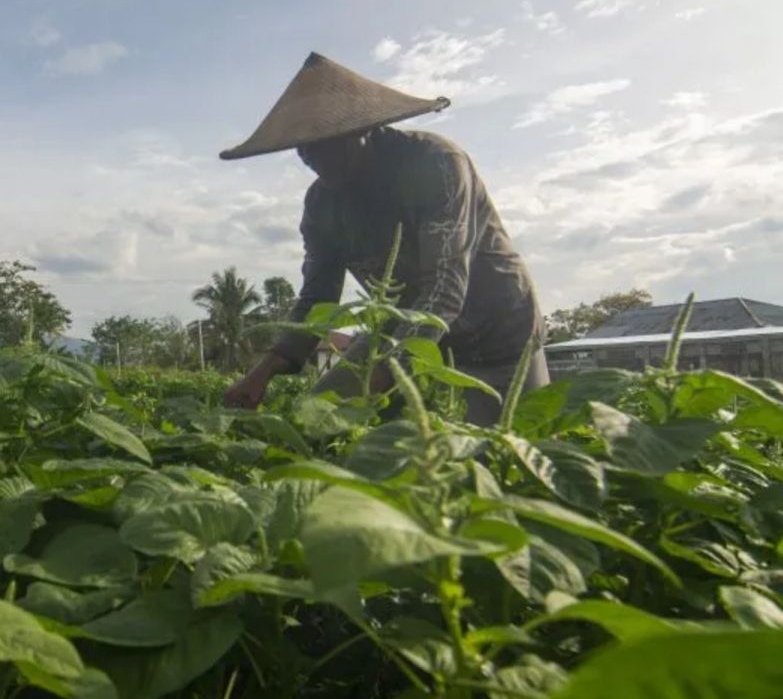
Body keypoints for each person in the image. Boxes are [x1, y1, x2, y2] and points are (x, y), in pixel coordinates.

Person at [218, 53, 548, 426]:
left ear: (362, 129)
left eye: (325, 142)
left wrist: (387, 372)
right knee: (319, 418)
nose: (312, 155)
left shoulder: (433, 163)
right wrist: (265, 370)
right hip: (398, 329)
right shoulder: (322, 204)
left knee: (505, 454)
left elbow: (443, 283)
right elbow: (318, 296)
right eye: (302, 145)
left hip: (495, 335)